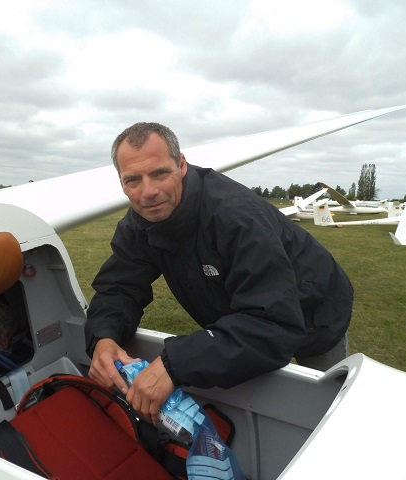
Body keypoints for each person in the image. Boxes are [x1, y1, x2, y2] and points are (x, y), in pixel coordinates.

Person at [85, 122, 353, 424]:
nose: (149, 192)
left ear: (181, 165)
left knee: (326, 414)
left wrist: (174, 364)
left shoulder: (236, 217)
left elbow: (272, 325)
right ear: (121, 183)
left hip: (316, 308)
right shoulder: (139, 223)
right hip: (247, 311)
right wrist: (103, 337)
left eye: (160, 173)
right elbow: (119, 288)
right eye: (133, 180)